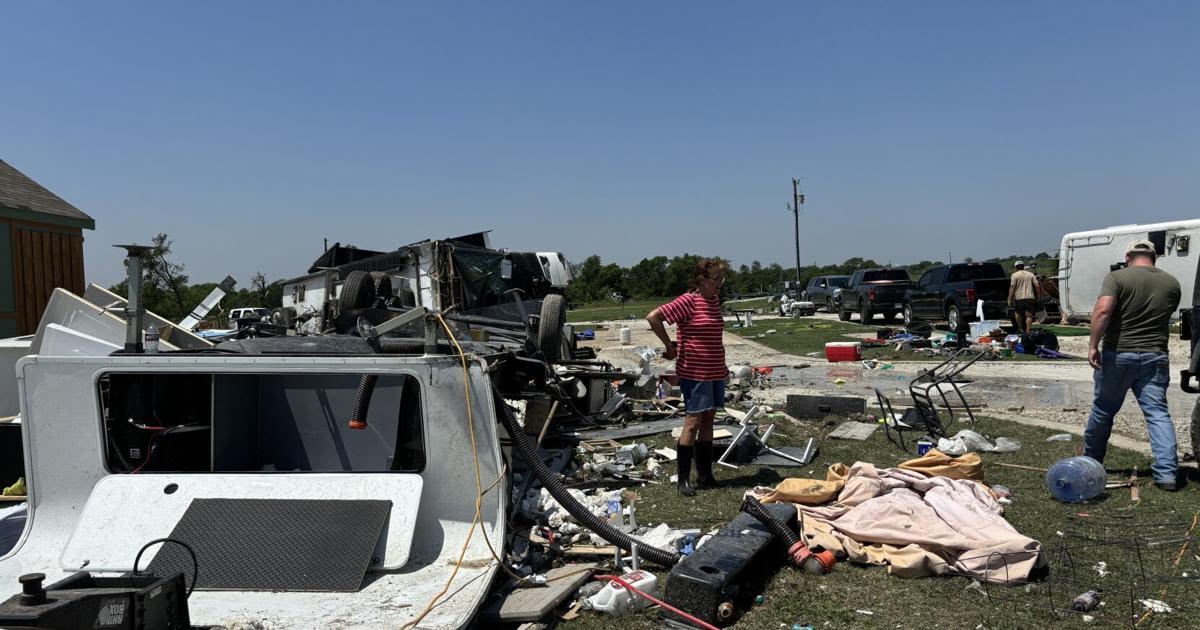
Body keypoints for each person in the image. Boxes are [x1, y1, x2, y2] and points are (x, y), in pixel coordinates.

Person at [1084, 240, 1182, 491]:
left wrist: (1093, 344)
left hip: (1119, 354)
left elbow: (1103, 311)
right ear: (1154, 257)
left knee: (1104, 409)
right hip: (1155, 356)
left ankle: (1091, 463)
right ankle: (1167, 475)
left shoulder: (1116, 277)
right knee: (1158, 414)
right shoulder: (1171, 283)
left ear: (1128, 255)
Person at [646, 259, 729, 496]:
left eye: (722, 279)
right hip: (695, 372)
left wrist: (722, 369)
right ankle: (683, 479)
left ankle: (705, 475)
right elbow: (653, 317)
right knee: (693, 422)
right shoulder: (688, 301)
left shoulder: (712, 301)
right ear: (701, 280)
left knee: (710, 419)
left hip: (714, 371)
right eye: (716, 279)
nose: (719, 284)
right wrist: (668, 345)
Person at [1007, 261, 1041, 334]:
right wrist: (1038, 295)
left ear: (1016, 267)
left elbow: (1012, 287)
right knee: (1029, 315)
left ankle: (1021, 329)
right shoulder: (1030, 274)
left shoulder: (1014, 275)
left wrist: (1009, 298)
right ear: (1023, 267)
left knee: (1018, 313)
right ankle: (1028, 330)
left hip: (1019, 298)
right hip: (1030, 298)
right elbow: (1037, 285)